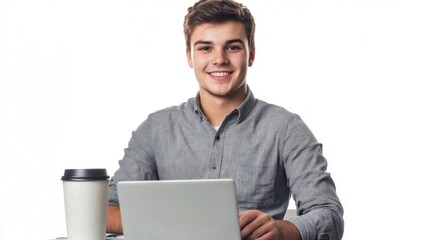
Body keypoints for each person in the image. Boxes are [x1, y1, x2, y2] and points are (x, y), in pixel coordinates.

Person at [106, 0, 344, 239]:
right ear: (189, 57)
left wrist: (282, 230)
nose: (219, 59)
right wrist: (167, 224)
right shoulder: (155, 130)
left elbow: (329, 214)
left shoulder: (286, 129)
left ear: (251, 54)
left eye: (232, 47)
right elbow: (107, 210)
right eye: (205, 48)